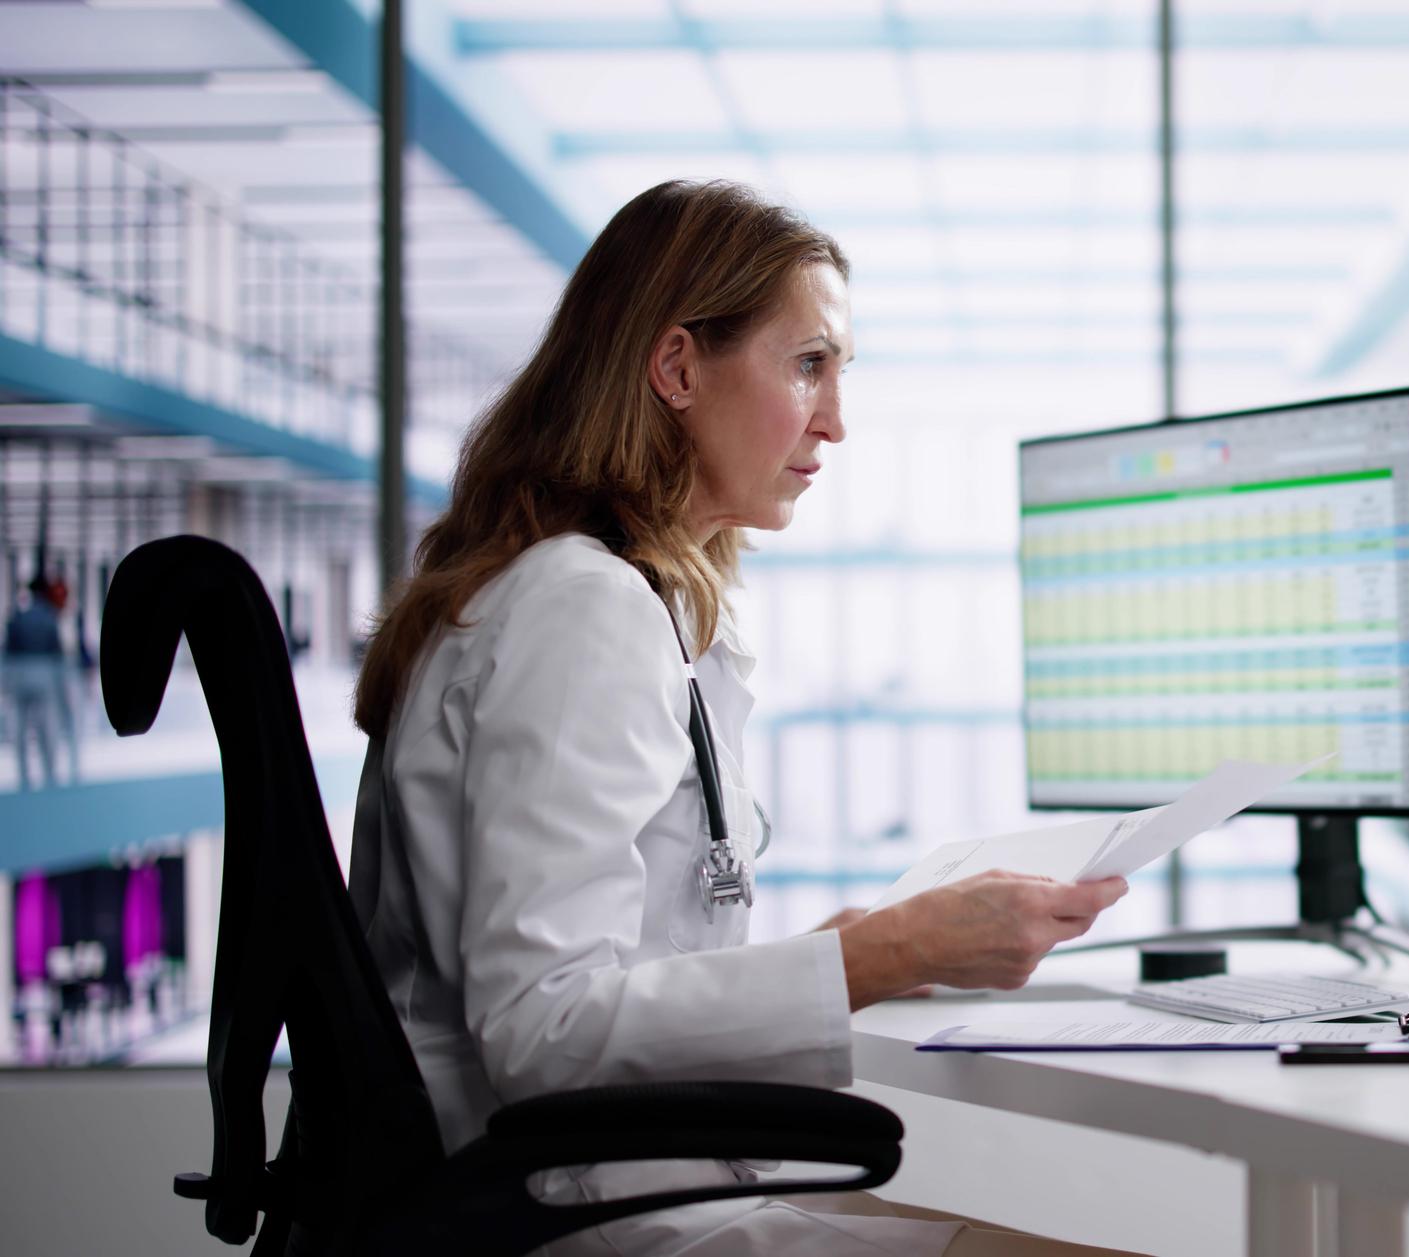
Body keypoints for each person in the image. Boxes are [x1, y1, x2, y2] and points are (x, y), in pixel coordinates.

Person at [348, 181, 1135, 1257]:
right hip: (580, 1213)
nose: (836, 421)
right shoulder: (582, 607)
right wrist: (890, 954)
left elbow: (616, 971)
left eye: (839, 372)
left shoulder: (584, 597)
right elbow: (544, 1028)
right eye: (807, 363)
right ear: (676, 368)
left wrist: (854, 948)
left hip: (597, 1186)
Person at [4, 574, 76, 790]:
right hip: (44, 673)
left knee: (22, 728)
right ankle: (49, 771)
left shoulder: (18, 616)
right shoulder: (48, 618)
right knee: (46, 726)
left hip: (20, 672)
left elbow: (9, 650)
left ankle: (24, 774)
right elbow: (56, 651)